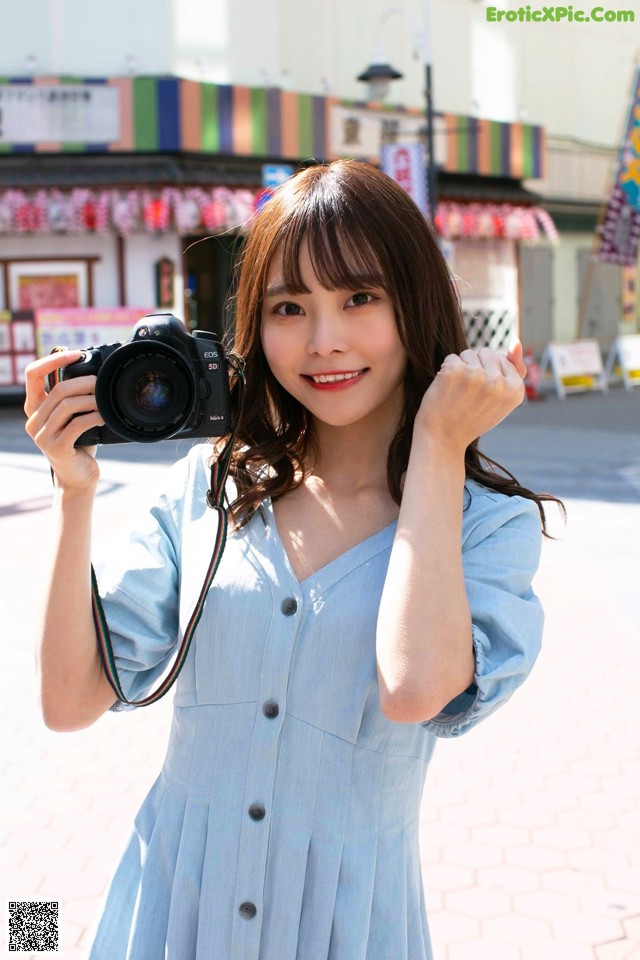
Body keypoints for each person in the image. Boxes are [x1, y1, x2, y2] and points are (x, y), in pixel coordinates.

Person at [24, 159, 559, 960]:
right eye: (288, 307)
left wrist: (442, 446)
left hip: (348, 926)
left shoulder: (489, 525)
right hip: (173, 914)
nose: (324, 340)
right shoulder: (207, 490)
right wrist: (74, 494)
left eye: (359, 298)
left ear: (415, 305)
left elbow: (415, 688)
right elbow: (67, 704)